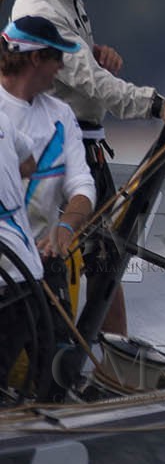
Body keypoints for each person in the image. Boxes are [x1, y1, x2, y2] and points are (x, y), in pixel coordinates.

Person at [13, 0, 165, 330]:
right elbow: (92, 82)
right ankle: (59, 351)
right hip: (60, 150)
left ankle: (107, 354)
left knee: (107, 264)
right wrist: (157, 106)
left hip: (86, 145)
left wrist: (95, 51)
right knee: (76, 263)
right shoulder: (40, 9)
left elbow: (79, 67)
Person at [0, 17, 96, 275]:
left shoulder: (61, 115)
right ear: (36, 58)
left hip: (44, 263)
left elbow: (82, 185)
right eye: (57, 57)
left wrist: (66, 226)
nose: (61, 66)